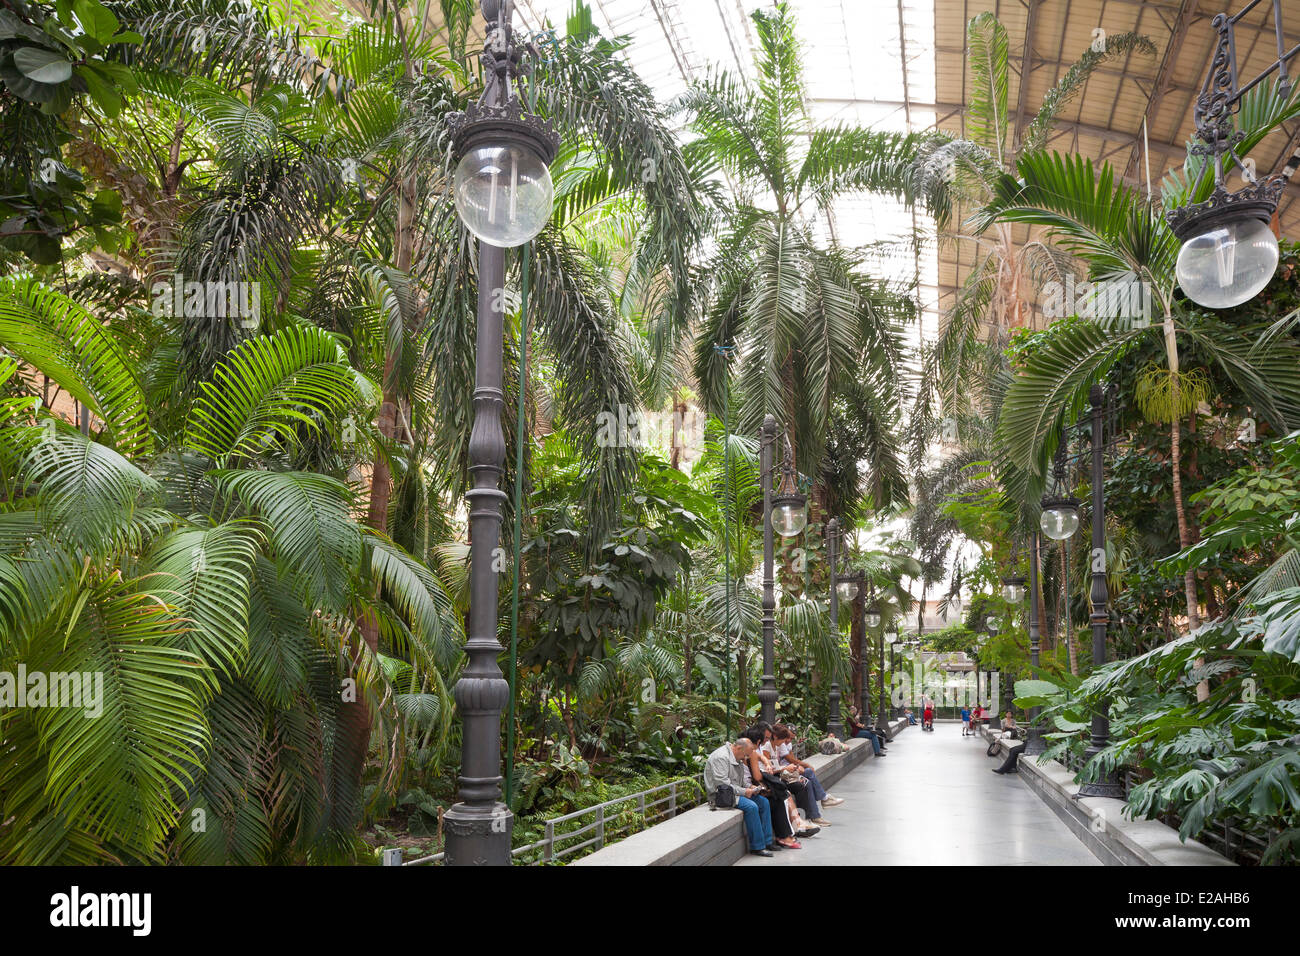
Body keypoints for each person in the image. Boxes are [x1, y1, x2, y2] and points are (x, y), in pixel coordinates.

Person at [704, 738, 776, 856]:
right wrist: (744, 791)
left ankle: (768, 841)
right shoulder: (721, 757)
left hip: (735, 791)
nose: (745, 758)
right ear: (738, 748)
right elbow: (723, 785)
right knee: (752, 807)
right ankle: (757, 847)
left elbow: (741, 781)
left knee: (763, 802)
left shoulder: (738, 756)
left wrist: (751, 787)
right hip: (721, 795)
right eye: (745, 755)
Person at [740, 724, 806, 847]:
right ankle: (780, 837)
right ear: (758, 740)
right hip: (746, 788)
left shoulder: (750, 749)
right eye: (765, 738)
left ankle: (780, 837)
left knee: (779, 797)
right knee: (776, 798)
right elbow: (757, 777)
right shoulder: (752, 751)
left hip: (749, 787)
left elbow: (760, 757)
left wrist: (765, 761)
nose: (766, 741)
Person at [771, 724, 841, 825]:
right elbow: (785, 761)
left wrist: (796, 766)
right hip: (782, 775)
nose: (788, 740)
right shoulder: (772, 745)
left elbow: (791, 760)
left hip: (786, 772)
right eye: (787, 737)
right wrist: (804, 765)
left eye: (791, 738)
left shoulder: (781, 743)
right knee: (806, 781)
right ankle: (819, 807)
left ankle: (820, 806)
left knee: (807, 775)